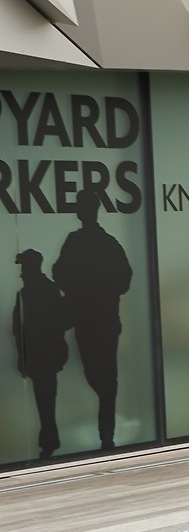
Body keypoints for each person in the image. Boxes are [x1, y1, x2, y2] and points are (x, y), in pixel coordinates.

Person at [52, 191, 133, 450]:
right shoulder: (99, 242)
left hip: (95, 319)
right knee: (101, 375)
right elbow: (60, 274)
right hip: (96, 319)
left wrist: (87, 289)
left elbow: (123, 280)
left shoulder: (93, 242)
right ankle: (106, 433)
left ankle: (106, 434)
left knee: (102, 376)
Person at [13, 249, 71, 460]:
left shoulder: (37, 292)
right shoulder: (42, 290)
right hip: (44, 354)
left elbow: (20, 328)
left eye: (23, 267)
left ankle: (49, 440)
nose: (21, 273)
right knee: (45, 397)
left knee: (45, 398)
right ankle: (49, 439)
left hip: (43, 354)